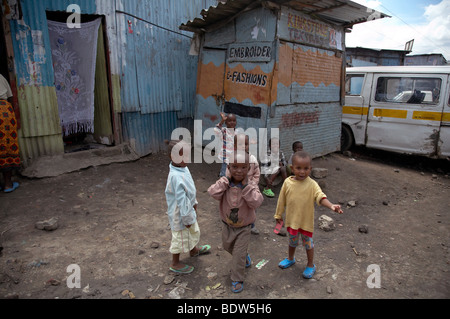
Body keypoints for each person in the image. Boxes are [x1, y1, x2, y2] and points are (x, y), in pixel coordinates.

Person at [274, 150, 343, 279]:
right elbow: (281, 200)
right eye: (298, 168)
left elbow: (320, 197)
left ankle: (310, 265)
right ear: (292, 168)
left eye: (306, 168)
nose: (302, 171)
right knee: (292, 242)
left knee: (308, 244)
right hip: (292, 221)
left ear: (310, 169)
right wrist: (278, 215)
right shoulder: (287, 183)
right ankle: (290, 258)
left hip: (305, 223)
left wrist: (331, 205)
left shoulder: (312, 185)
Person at [208, 151, 264, 293]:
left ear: (248, 168)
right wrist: (225, 180)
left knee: (238, 254)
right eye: (235, 167)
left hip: (244, 227)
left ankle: (237, 278)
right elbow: (212, 192)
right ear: (228, 167)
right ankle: (244, 257)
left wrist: (246, 187)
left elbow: (257, 202)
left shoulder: (251, 185)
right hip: (227, 224)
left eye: (243, 167)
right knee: (227, 247)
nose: (239, 171)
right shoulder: (225, 184)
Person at [164, 140, 211, 274]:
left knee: (192, 231)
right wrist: (187, 217)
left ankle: (193, 250)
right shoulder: (175, 176)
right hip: (181, 213)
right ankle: (175, 262)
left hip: (189, 208)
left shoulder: (182, 167)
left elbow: (189, 188)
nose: (186, 158)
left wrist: (194, 203)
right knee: (179, 237)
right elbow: (181, 200)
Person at [225, 133, 261, 235]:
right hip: (235, 188)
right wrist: (230, 184)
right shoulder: (232, 158)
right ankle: (233, 223)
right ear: (235, 146)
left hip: (249, 188)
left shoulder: (252, 159)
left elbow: (256, 173)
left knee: (251, 207)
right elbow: (228, 173)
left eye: (245, 144)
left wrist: (253, 184)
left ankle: (251, 225)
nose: (243, 146)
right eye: (240, 144)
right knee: (236, 207)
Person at [0, 74, 20, 193]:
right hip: (4, 111)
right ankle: (8, 184)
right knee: (7, 146)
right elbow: (11, 97)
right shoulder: (1, 77)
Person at [214, 112, 238, 177]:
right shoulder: (224, 131)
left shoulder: (237, 132)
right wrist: (222, 121)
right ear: (226, 123)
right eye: (229, 121)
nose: (232, 122)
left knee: (233, 172)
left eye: (234, 121)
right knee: (223, 173)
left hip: (234, 157)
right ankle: (222, 183)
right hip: (226, 157)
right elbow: (216, 130)